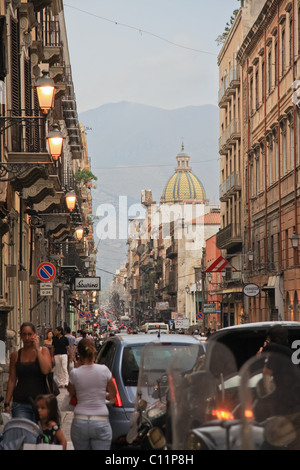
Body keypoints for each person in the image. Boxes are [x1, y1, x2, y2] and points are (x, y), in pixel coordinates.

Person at [68, 337, 116, 450]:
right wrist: (103, 394)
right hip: (101, 421)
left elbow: (71, 392)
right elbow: (113, 394)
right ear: (94, 351)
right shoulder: (104, 370)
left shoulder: (75, 373)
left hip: (80, 421)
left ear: (79, 354)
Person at [4, 322, 52, 422]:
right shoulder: (15, 355)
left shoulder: (43, 351)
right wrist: (7, 403)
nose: (27, 338)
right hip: (21, 402)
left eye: (30, 334)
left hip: (41, 403)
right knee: (23, 434)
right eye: (24, 334)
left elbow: (46, 370)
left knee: (40, 435)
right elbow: (12, 380)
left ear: (34, 335)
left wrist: (37, 349)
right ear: (20, 335)